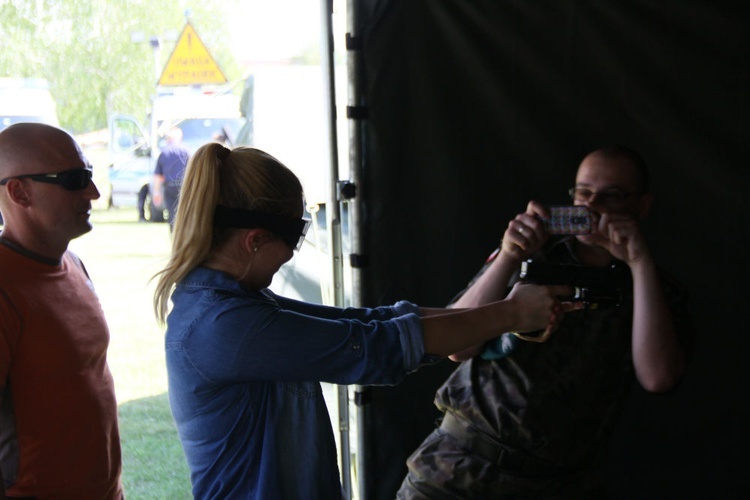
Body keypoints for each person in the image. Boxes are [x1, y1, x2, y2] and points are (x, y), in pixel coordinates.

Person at [152, 143, 582, 499]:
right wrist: (511, 313)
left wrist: (504, 307)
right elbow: (378, 346)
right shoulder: (223, 325)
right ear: (255, 240)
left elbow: (368, 323)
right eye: (297, 235)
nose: (292, 252)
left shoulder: (237, 304)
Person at [397, 145, 693, 499]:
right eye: (583, 192)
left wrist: (640, 263)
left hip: (555, 485)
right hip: (458, 470)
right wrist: (508, 255)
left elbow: (658, 376)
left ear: (641, 206)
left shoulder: (653, 288)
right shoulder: (534, 256)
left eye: (612, 195)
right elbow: (457, 346)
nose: (592, 205)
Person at [0, 123, 123, 499]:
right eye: (75, 179)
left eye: (89, 175)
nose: (94, 192)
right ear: (20, 192)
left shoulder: (72, 263)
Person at [153, 126, 190, 229]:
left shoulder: (164, 153)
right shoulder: (186, 151)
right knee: (184, 213)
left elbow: (158, 176)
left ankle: (174, 235)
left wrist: (156, 193)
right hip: (183, 186)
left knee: (172, 213)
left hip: (169, 187)